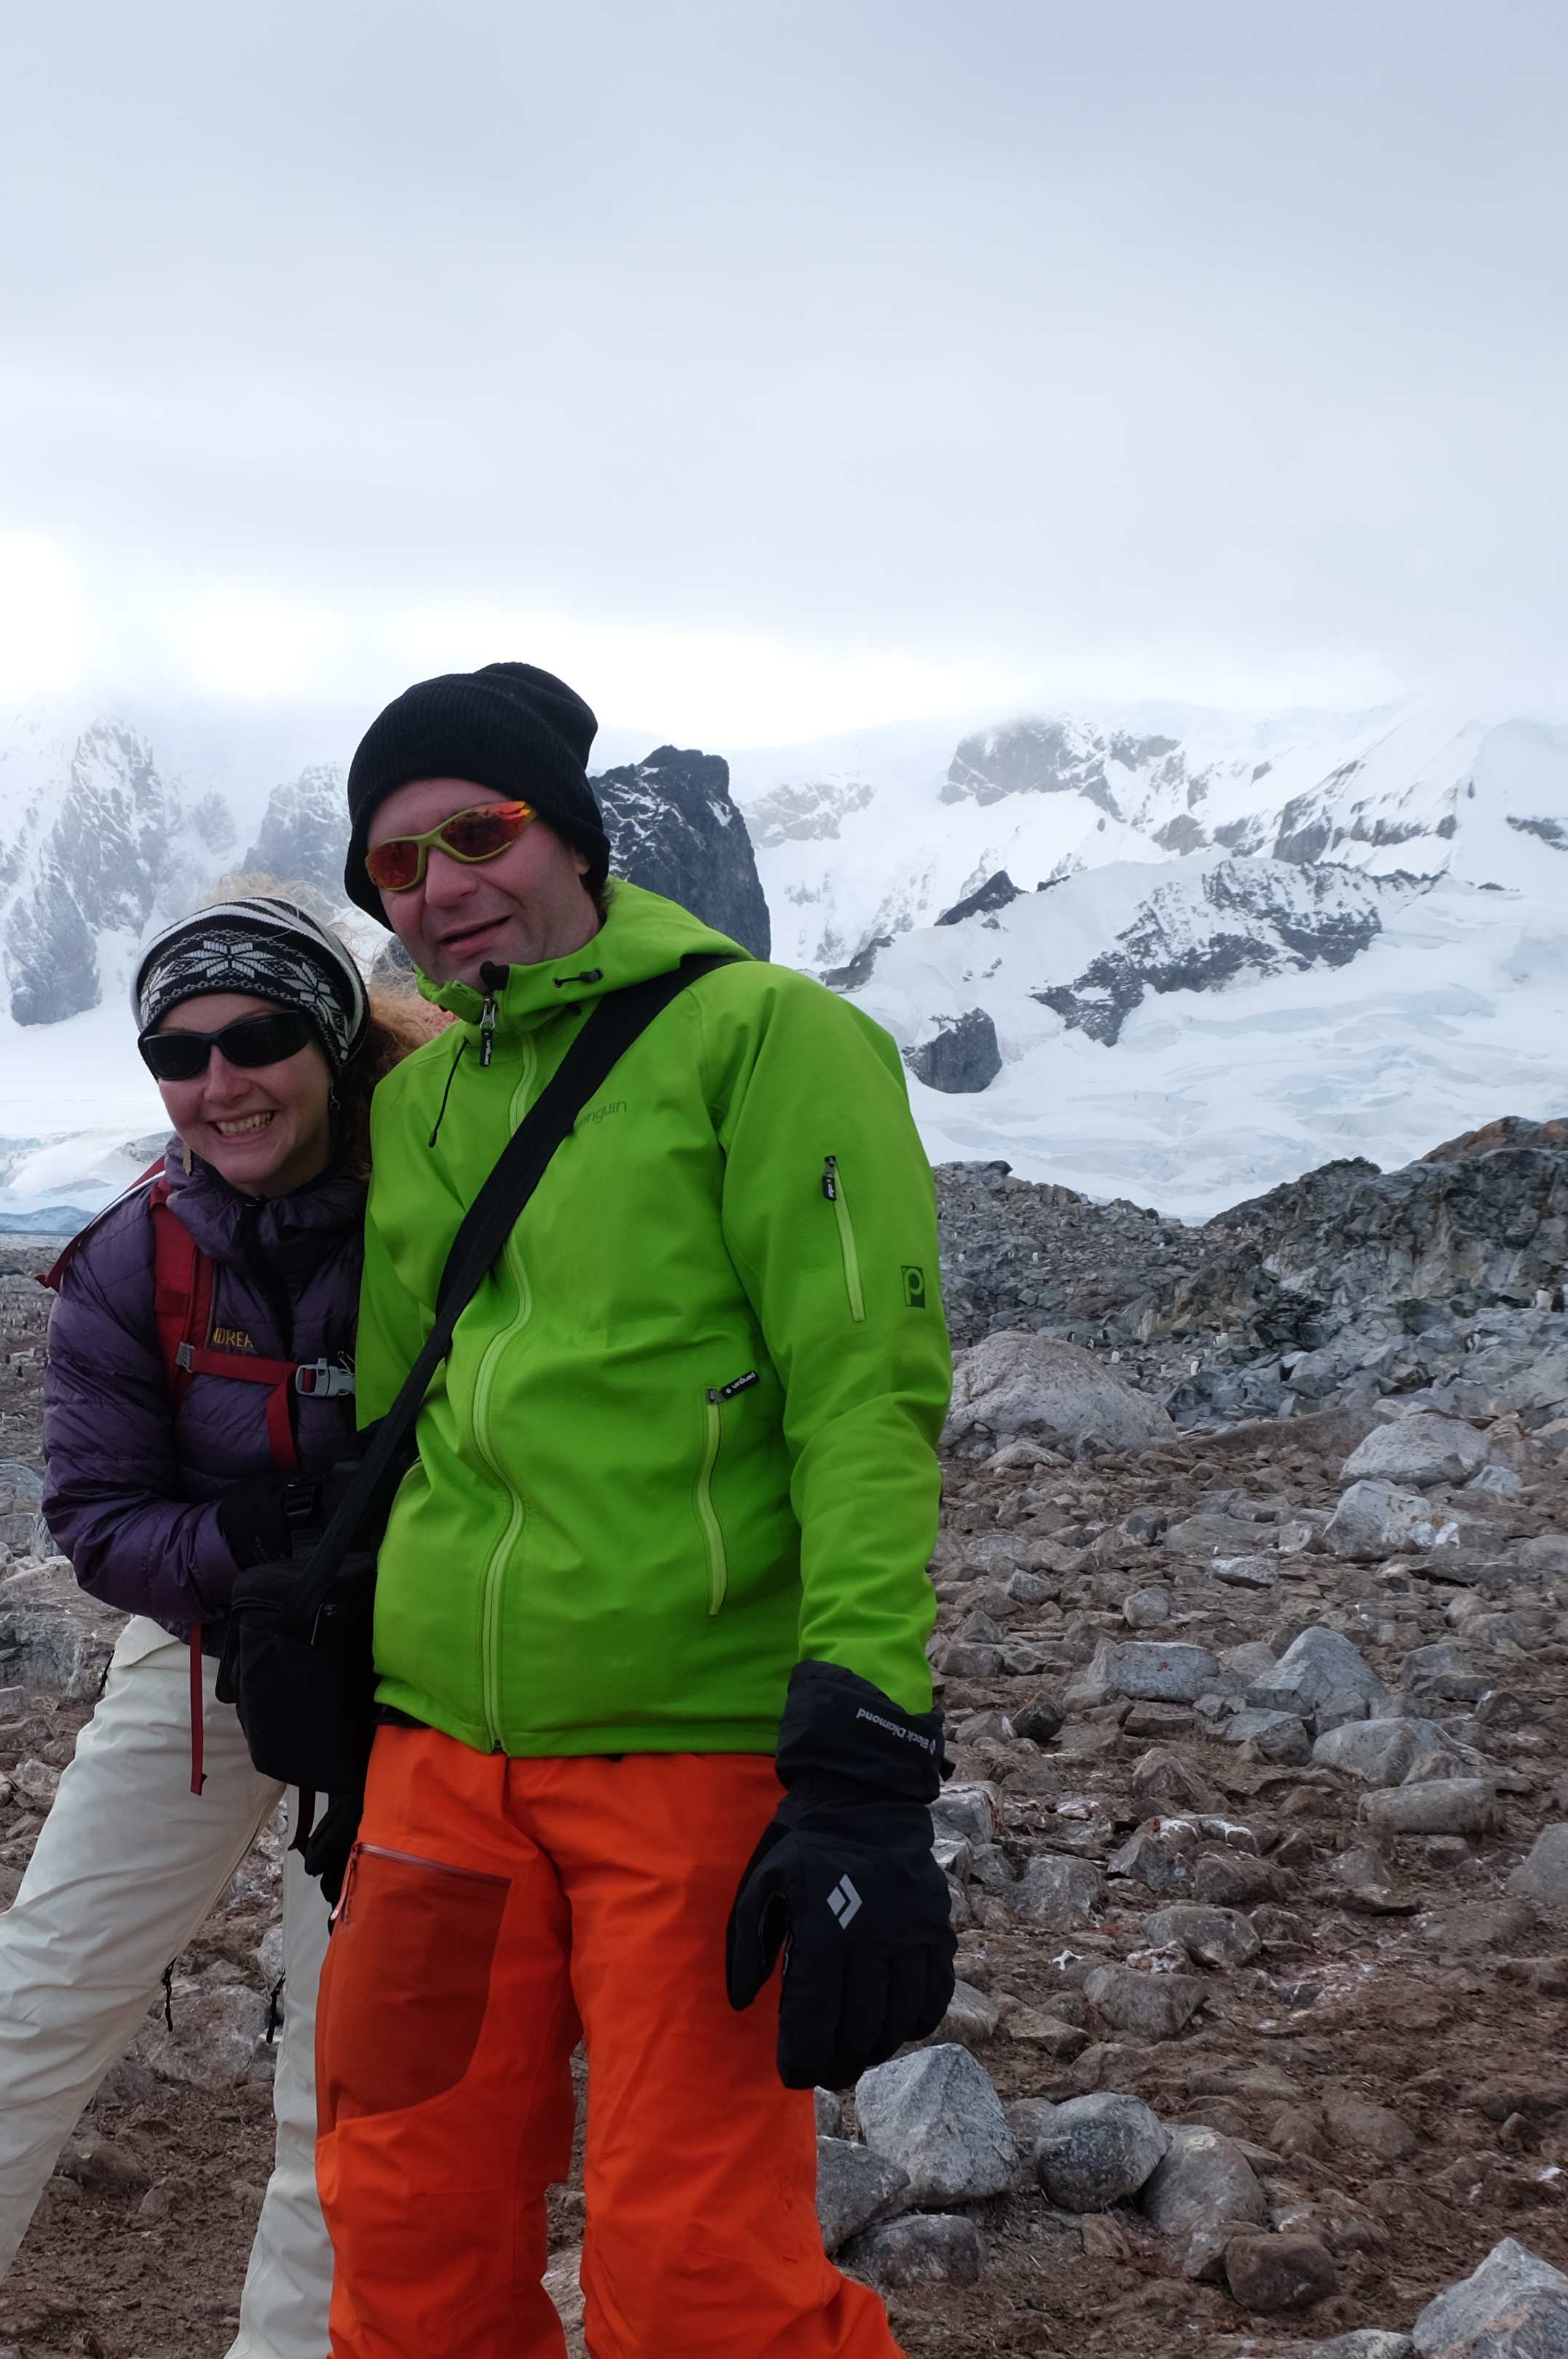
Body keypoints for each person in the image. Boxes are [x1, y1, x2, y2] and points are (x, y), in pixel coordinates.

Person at [311, 664, 956, 2358]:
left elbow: (864, 1400)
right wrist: (354, 1701)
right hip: (437, 1769)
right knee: (408, 2234)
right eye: (397, 864)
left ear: (574, 835)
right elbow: (400, 1430)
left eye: (479, 833)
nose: (442, 886)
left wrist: (864, 1748)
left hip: (687, 1759)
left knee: (696, 2281)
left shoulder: (768, 1039)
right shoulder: (422, 1103)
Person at [0, 892, 413, 2359]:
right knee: (37, 2005)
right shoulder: (135, 1257)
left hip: (404, 1681)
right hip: (205, 1655)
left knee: (349, 2076)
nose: (219, 1081)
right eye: (178, 1052)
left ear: (336, 1040)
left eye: (260, 1037)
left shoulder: (442, 1203)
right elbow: (99, 1520)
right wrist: (255, 1544)